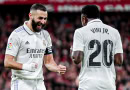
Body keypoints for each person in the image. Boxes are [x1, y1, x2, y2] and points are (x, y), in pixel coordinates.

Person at [4, 3, 66, 90]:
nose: (43, 22)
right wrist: (27, 67)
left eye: (45, 18)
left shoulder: (46, 35)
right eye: (40, 18)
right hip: (22, 82)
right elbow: (7, 62)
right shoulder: (17, 35)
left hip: (39, 83)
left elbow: (48, 62)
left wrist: (57, 68)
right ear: (30, 16)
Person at [71, 5, 123, 90]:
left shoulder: (80, 32)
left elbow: (77, 59)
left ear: (84, 18)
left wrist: (72, 53)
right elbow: (119, 61)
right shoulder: (115, 32)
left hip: (88, 85)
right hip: (108, 84)